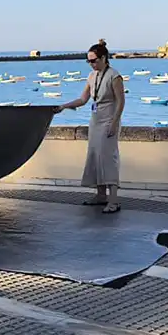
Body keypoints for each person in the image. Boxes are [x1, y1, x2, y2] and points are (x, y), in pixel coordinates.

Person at [56, 42, 126, 213]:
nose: (91, 64)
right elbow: (83, 99)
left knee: (108, 158)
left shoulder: (114, 76)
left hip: (109, 119)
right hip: (95, 120)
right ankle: (101, 195)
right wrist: (64, 106)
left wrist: (114, 122)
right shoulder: (91, 76)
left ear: (103, 58)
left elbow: (121, 101)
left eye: (94, 61)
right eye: (89, 61)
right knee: (95, 156)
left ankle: (114, 200)